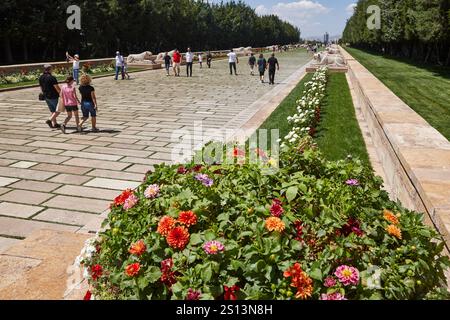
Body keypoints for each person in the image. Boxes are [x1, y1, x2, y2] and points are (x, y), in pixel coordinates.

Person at [39, 64, 61, 128]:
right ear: (50, 69)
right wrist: (62, 95)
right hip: (53, 96)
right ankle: (49, 120)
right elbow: (57, 88)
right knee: (58, 110)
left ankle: (55, 123)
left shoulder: (41, 77)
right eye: (52, 68)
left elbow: (41, 87)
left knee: (52, 111)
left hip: (46, 96)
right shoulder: (52, 78)